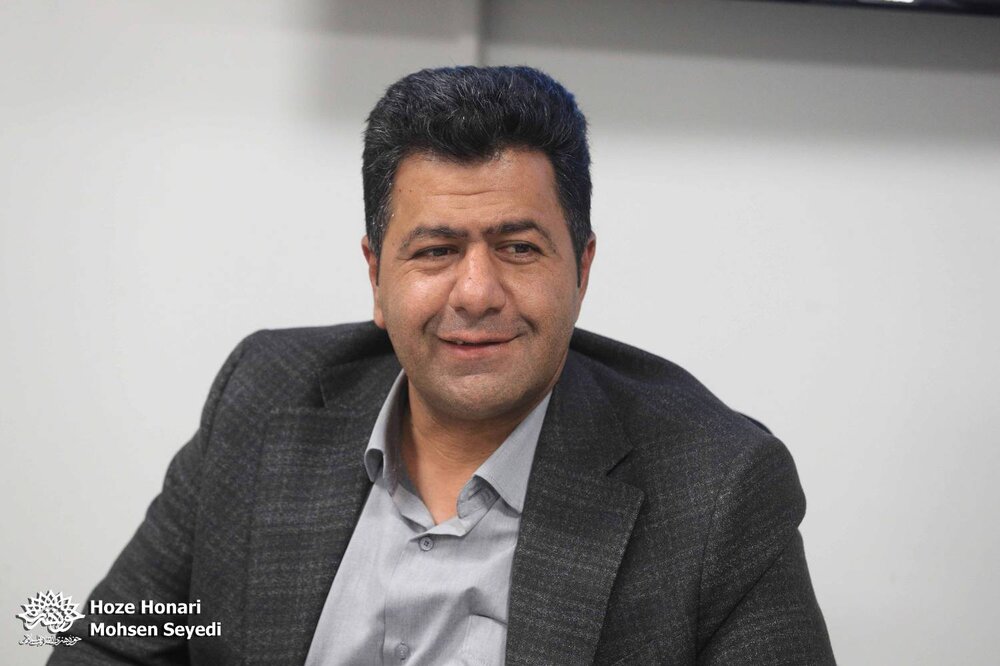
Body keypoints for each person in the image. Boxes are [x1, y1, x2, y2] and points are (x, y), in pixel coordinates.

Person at [50, 66, 835, 665]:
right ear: (376, 275)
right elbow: (106, 643)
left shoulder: (716, 485)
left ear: (582, 269)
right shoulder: (263, 397)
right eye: (435, 252)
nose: (477, 293)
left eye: (518, 247)